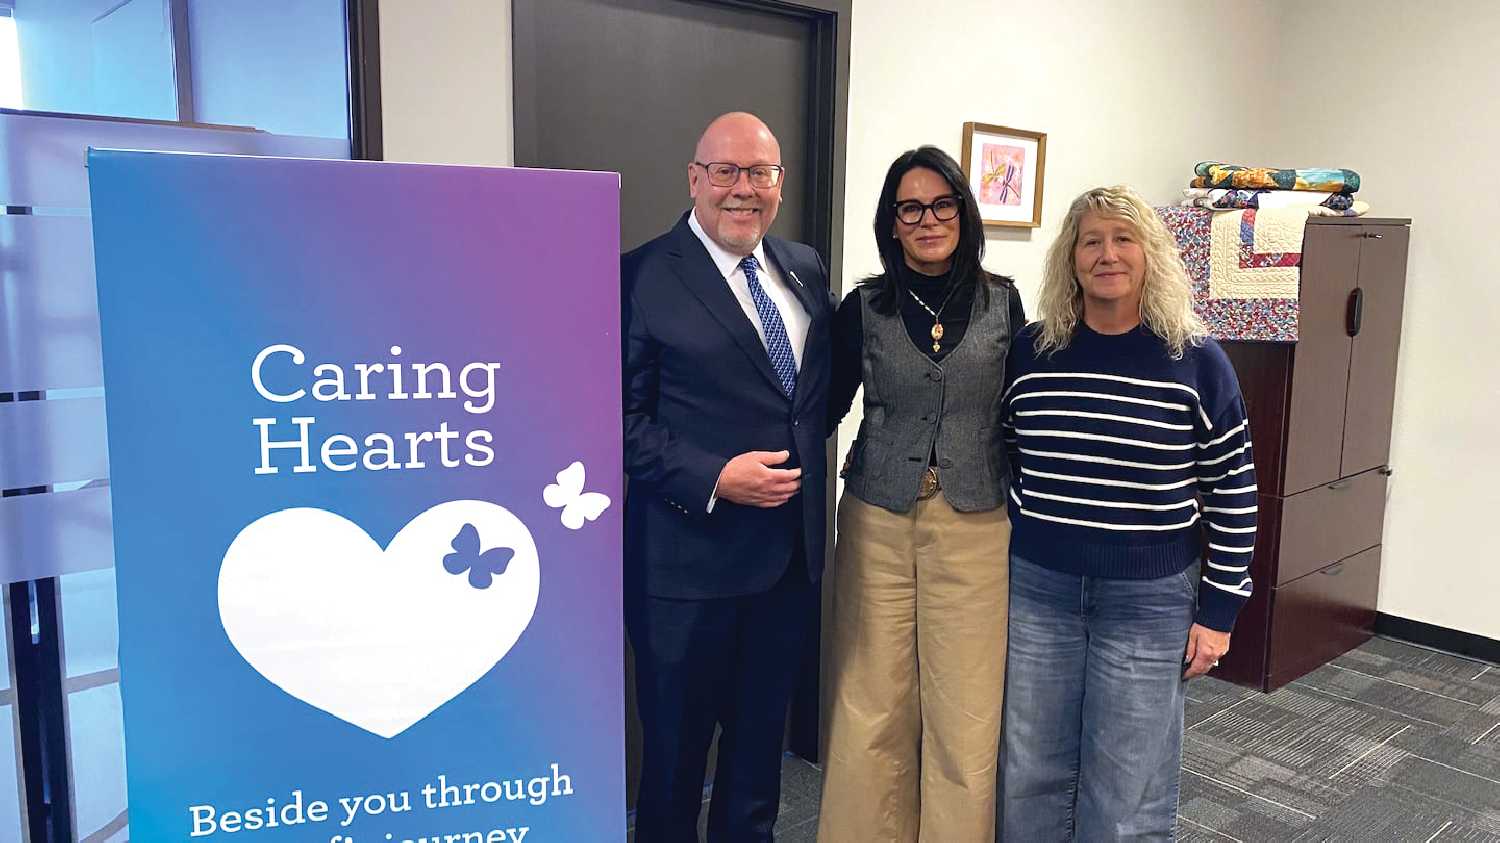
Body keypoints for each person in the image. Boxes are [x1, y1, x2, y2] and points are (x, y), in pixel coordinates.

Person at [998, 185, 1257, 840]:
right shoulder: (1032, 353)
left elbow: (1233, 487)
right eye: (1092, 240)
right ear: (1071, 258)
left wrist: (1219, 612)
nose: (1107, 253)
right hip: (1041, 590)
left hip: (1149, 599)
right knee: (1029, 772)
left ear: (1150, 255)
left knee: (1126, 787)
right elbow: (1004, 449)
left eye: (1123, 238)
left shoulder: (1196, 362)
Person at [621, 112, 833, 843]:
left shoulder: (803, 267)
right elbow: (613, 420)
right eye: (726, 172)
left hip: (785, 570)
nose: (743, 189)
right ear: (694, 178)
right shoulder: (640, 274)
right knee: (676, 771)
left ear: (780, 184)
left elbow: (814, 398)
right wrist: (714, 475)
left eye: (760, 173)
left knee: (755, 770)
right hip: (686, 574)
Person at [818, 146, 1026, 841]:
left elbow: (1022, 411)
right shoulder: (865, 307)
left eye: (943, 204)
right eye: (911, 207)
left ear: (964, 214)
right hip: (878, 515)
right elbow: (819, 408)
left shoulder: (1003, 300)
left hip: (975, 520)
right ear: (893, 222)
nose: (928, 218)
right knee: (871, 700)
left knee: (964, 708)